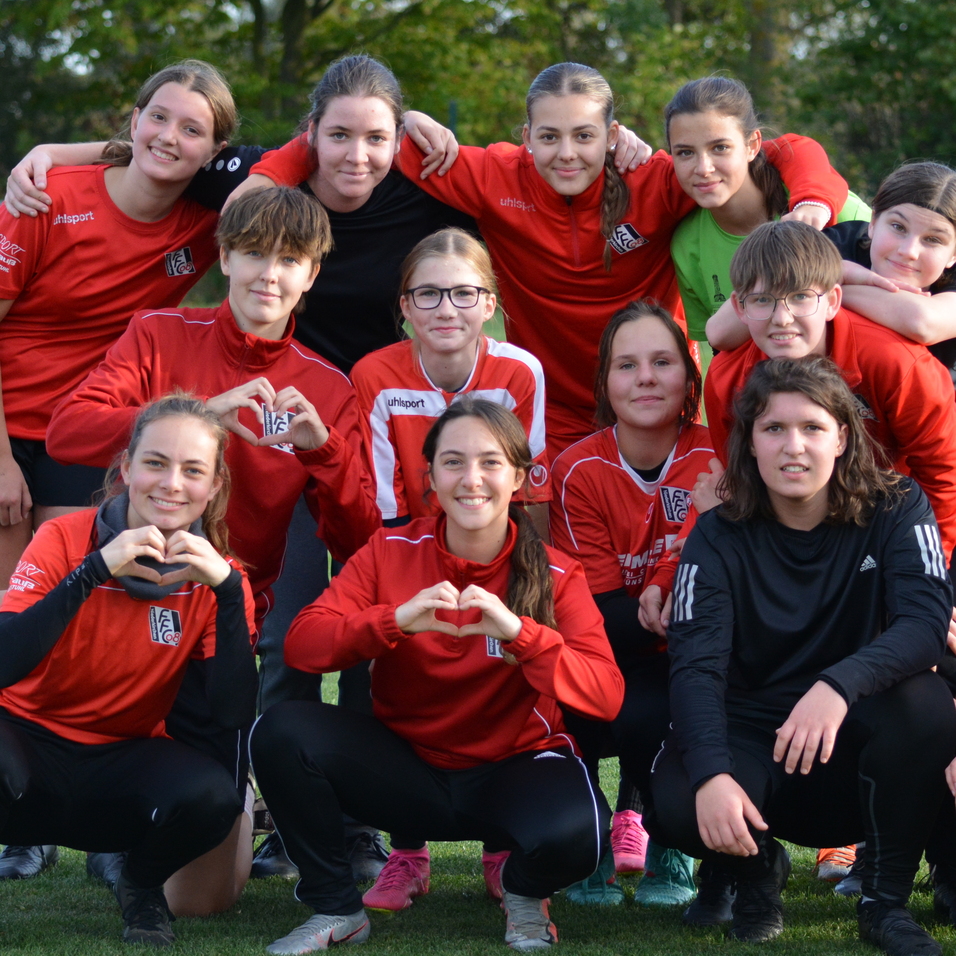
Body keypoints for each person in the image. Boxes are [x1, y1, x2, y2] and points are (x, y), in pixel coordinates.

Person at [248, 61, 850, 456]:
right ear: (526, 134)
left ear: (613, 137)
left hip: (656, 394)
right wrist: (401, 120)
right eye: (550, 136)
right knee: (570, 566)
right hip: (553, 412)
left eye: (585, 136)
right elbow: (340, 138)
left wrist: (812, 211)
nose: (567, 153)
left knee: (671, 542)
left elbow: (787, 148)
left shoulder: (655, 178)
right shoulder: (489, 176)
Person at [249, 397, 624, 954]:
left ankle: (522, 893)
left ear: (519, 476)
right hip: (407, 770)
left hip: (510, 772)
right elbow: (303, 645)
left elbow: (606, 696)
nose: (472, 479)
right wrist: (393, 621)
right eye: (453, 462)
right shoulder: (389, 550)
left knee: (584, 833)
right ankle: (336, 907)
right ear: (430, 477)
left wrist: (523, 637)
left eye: (491, 462)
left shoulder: (557, 574)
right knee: (280, 732)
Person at [0, 57, 238, 881]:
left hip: (87, 437)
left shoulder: (204, 220)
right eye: (159, 117)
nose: (171, 137)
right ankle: (19, 818)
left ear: (214, 152)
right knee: (15, 613)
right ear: (132, 121)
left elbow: (289, 176)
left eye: (193, 129)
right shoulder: (46, 198)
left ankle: (117, 811)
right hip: (6, 424)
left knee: (105, 603)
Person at [647, 356, 956, 956]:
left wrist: (839, 685)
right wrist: (711, 774)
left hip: (859, 734)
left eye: (812, 428)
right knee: (683, 797)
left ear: (842, 438)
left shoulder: (898, 505)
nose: (794, 447)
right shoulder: (716, 534)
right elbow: (695, 666)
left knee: (927, 703)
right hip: (758, 737)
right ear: (750, 443)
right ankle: (756, 875)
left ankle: (883, 902)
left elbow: (925, 625)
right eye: (773, 429)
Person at [46, 185, 378, 632]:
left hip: (228, 612)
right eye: (256, 253)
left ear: (312, 275)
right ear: (225, 258)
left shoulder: (329, 389)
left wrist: (326, 453)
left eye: (290, 260)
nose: (269, 276)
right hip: (124, 587)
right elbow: (67, 431)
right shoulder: (157, 334)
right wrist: (196, 412)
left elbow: (357, 541)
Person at [0, 393, 259, 946]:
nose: (170, 484)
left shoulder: (221, 578)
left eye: (193, 470)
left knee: (214, 795)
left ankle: (138, 885)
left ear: (213, 486)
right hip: (26, 748)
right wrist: (93, 570)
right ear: (126, 469)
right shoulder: (62, 539)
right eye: (156, 463)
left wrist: (232, 594)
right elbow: (6, 660)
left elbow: (233, 712)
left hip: (120, 761)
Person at [550, 300, 713, 908]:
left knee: (676, 701)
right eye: (627, 364)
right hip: (611, 645)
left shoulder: (715, 457)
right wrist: (670, 610)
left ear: (690, 379)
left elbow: (714, 577)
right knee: (578, 696)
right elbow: (595, 611)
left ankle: (670, 841)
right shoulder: (578, 468)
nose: (645, 377)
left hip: (688, 655)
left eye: (662, 361)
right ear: (604, 383)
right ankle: (589, 838)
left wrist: (675, 605)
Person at [666, 76, 869, 365]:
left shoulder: (830, 209)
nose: (703, 168)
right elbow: (719, 356)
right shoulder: (687, 244)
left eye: (720, 148)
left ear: (752, 145)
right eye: (685, 152)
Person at [352, 226, 548, 524]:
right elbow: (387, 511)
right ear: (406, 306)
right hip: (408, 541)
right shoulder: (374, 377)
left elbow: (526, 496)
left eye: (464, 293)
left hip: (493, 539)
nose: (446, 310)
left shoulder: (519, 372)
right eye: (429, 293)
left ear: (488, 306)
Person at [707, 161, 956, 389]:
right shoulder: (834, 245)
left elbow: (922, 322)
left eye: (933, 240)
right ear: (872, 222)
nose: (908, 251)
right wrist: (839, 272)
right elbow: (719, 332)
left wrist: (828, 287)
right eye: (898, 227)